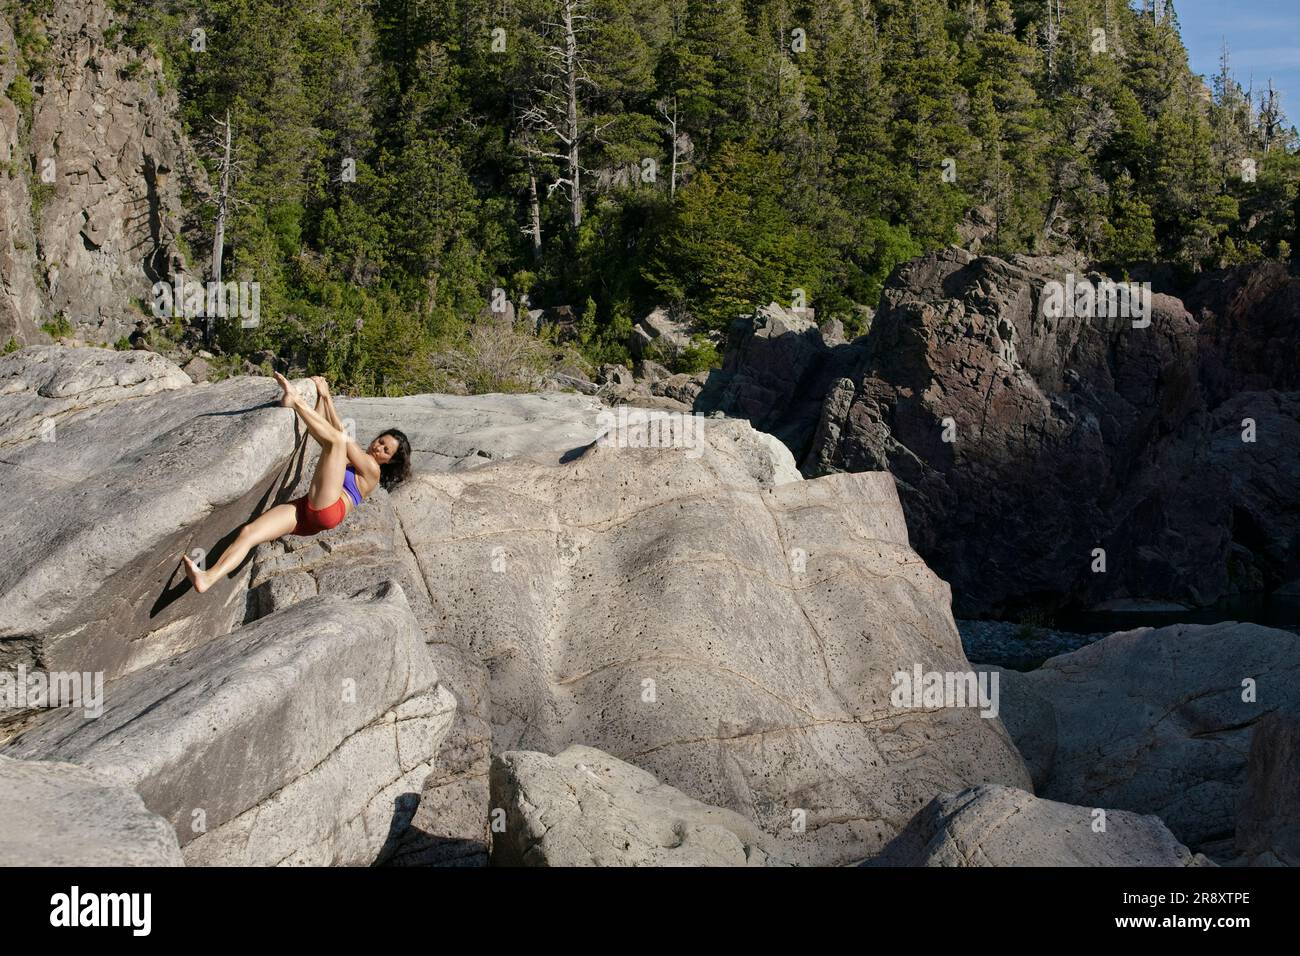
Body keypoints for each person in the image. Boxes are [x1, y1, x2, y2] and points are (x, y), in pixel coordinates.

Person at [181, 372, 411, 594]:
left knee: (337, 442)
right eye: (381, 441)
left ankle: (295, 399)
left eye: (385, 450)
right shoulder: (357, 458)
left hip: (330, 509)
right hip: (308, 512)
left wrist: (323, 396)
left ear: (389, 461)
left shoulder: (373, 471)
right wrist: (322, 399)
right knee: (249, 532)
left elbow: (340, 436)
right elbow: (326, 433)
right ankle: (207, 578)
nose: (378, 447)